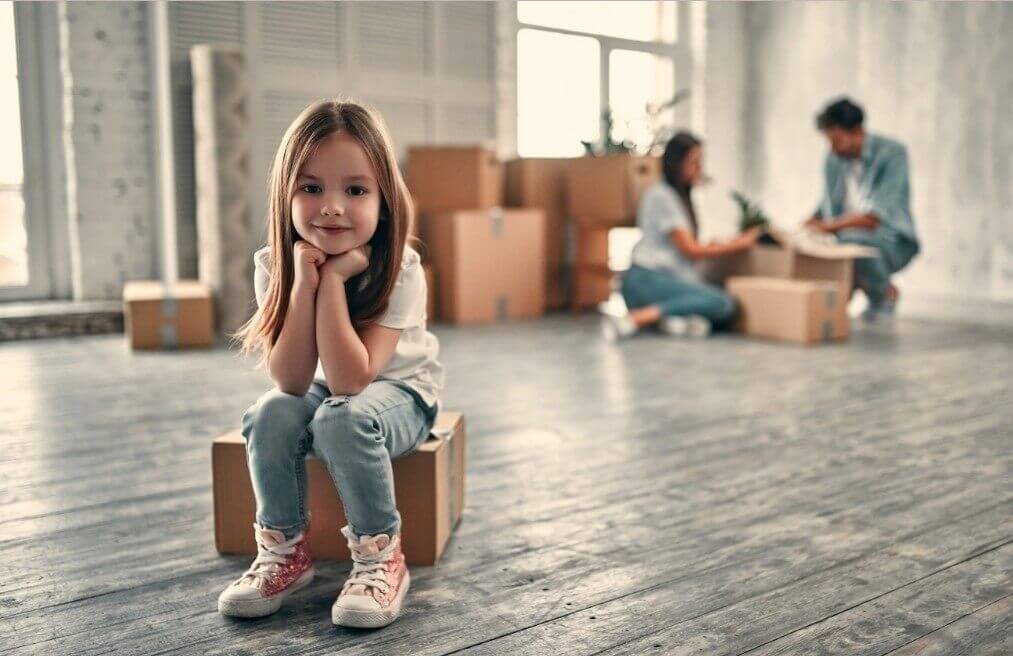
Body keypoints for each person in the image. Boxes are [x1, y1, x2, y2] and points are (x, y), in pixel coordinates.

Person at [221, 100, 443, 629]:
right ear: (285, 194)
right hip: (328, 390)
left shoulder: (401, 269)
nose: (332, 207)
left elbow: (352, 379)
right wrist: (304, 281)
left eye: (356, 190)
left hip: (402, 395)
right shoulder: (276, 263)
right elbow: (293, 379)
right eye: (312, 187)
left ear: (385, 200)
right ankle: (284, 551)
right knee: (270, 412)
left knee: (343, 416)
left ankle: (380, 555)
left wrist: (338, 282)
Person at [602, 131, 760, 341]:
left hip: (657, 281)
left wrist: (718, 244)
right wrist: (740, 244)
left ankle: (671, 320)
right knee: (724, 303)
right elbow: (690, 250)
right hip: (644, 281)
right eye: (694, 162)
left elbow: (684, 246)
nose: (699, 169)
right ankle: (638, 318)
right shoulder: (663, 196)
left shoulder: (677, 197)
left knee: (711, 305)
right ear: (677, 163)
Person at [806, 97, 920, 322]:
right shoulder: (834, 159)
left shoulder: (892, 154)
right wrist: (805, 226)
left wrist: (828, 227)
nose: (832, 147)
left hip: (891, 240)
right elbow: (825, 204)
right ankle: (847, 295)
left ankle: (883, 295)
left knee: (851, 240)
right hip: (843, 234)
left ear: (857, 131)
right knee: (819, 243)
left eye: (837, 140)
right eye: (829, 140)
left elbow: (876, 217)